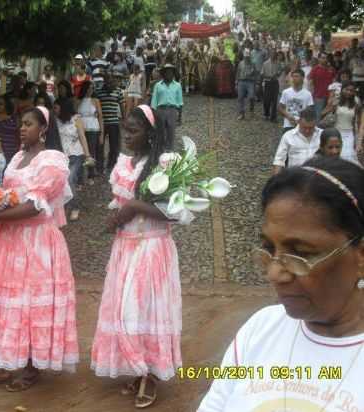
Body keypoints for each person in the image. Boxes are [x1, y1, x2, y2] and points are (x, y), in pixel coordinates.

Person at [198, 156, 364, 411]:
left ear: (360, 255)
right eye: (268, 248)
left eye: (301, 253)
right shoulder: (260, 329)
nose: (275, 274)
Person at [0, 106, 79, 391]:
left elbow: (35, 207)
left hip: (36, 242)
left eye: (28, 124)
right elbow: (10, 196)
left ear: (43, 129)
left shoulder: (52, 161)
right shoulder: (15, 158)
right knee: (5, 300)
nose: (22, 128)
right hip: (7, 241)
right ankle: (3, 363)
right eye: (21, 124)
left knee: (29, 301)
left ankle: (31, 365)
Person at [91, 105, 182, 409]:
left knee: (146, 309)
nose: (127, 136)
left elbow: (178, 212)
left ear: (151, 133)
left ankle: (152, 373)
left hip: (152, 248)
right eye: (125, 130)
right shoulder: (123, 165)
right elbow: (120, 204)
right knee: (125, 309)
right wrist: (116, 217)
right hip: (126, 247)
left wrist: (135, 208)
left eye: (134, 130)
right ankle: (138, 365)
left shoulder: (167, 163)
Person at [54, 98, 92, 221]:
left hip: (76, 154)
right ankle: (64, 206)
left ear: (63, 108)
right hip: (61, 156)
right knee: (61, 182)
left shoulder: (76, 119)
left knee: (70, 179)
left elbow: (82, 137)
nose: (54, 110)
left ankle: (75, 207)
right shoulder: (55, 121)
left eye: (56, 107)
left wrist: (87, 155)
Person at [273, 107, 322, 174]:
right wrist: (276, 180)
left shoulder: (322, 135)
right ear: (299, 122)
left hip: (318, 178)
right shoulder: (288, 136)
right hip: (295, 178)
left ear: (315, 123)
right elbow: (279, 160)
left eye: (310, 128)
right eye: (304, 127)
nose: (307, 131)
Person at [96, 73, 125, 174]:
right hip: (101, 123)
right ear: (104, 81)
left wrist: (124, 120)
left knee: (114, 146)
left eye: (111, 80)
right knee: (100, 145)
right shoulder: (98, 92)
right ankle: (99, 166)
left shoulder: (118, 91)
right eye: (107, 80)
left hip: (114, 122)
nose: (109, 82)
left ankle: (111, 165)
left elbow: (122, 106)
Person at [329, 81, 363, 164]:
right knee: (335, 155)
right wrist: (332, 105)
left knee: (348, 155)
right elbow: (327, 116)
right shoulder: (336, 101)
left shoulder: (356, 104)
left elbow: (358, 123)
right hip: (336, 132)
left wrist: (358, 140)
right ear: (342, 89)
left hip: (349, 133)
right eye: (346, 89)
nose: (348, 92)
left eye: (351, 90)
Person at [151, 64, 183, 150]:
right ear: (163, 74)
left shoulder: (177, 85)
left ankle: (170, 153)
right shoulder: (158, 85)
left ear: (173, 74)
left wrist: (179, 117)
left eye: (171, 72)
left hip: (172, 110)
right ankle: (161, 153)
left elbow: (180, 102)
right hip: (160, 110)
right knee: (160, 133)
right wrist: (154, 116)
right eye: (167, 72)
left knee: (171, 133)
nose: (169, 74)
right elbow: (154, 101)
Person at [77, 81, 104, 184]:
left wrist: (102, 133)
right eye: (88, 88)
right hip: (80, 128)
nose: (90, 90)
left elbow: (101, 117)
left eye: (92, 88)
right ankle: (80, 175)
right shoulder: (78, 100)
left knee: (91, 152)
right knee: (80, 151)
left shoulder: (96, 100)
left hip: (93, 128)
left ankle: (91, 175)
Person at [278, 69, 314, 134]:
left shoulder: (308, 94)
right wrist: (288, 115)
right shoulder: (286, 92)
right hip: (288, 125)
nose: (294, 78)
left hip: (302, 126)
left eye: (297, 76)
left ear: (302, 78)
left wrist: (300, 120)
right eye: (293, 76)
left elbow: (310, 110)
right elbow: (280, 108)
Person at [309, 52, 336, 122]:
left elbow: (334, 83)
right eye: (323, 58)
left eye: (326, 58)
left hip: (330, 97)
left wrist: (333, 96)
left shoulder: (331, 69)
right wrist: (312, 94)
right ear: (319, 59)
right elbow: (311, 83)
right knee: (318, 116)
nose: (325, 59)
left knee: (329, 117)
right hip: (318, 96)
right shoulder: (315, 69)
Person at [235, 49, 257, 120]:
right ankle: (242, 113)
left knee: (251, 97)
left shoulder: (253, 64)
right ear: (244, 57)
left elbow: (255, 74)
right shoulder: (240, 63)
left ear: (249, 56)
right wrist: (236, 82)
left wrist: (256, 83)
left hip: (250, 82)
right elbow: (238, 73)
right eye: (245, 57)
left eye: (248, 57)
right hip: (241, 82)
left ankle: (251, 110)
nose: (247, 58)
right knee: (240, 98)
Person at [261, 50, 281, 122]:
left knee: (275, 100)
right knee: (267, 100)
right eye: (272, 54)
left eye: (275, 55)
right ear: (270, 55)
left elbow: (279, 72)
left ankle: (273, 117)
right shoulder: (265, 63)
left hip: (275, 83)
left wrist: (277, 74)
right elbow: (262, 73)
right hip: (268, 82)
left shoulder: (278, 63)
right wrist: (269, 76)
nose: (274, 56)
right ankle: (266, 114)